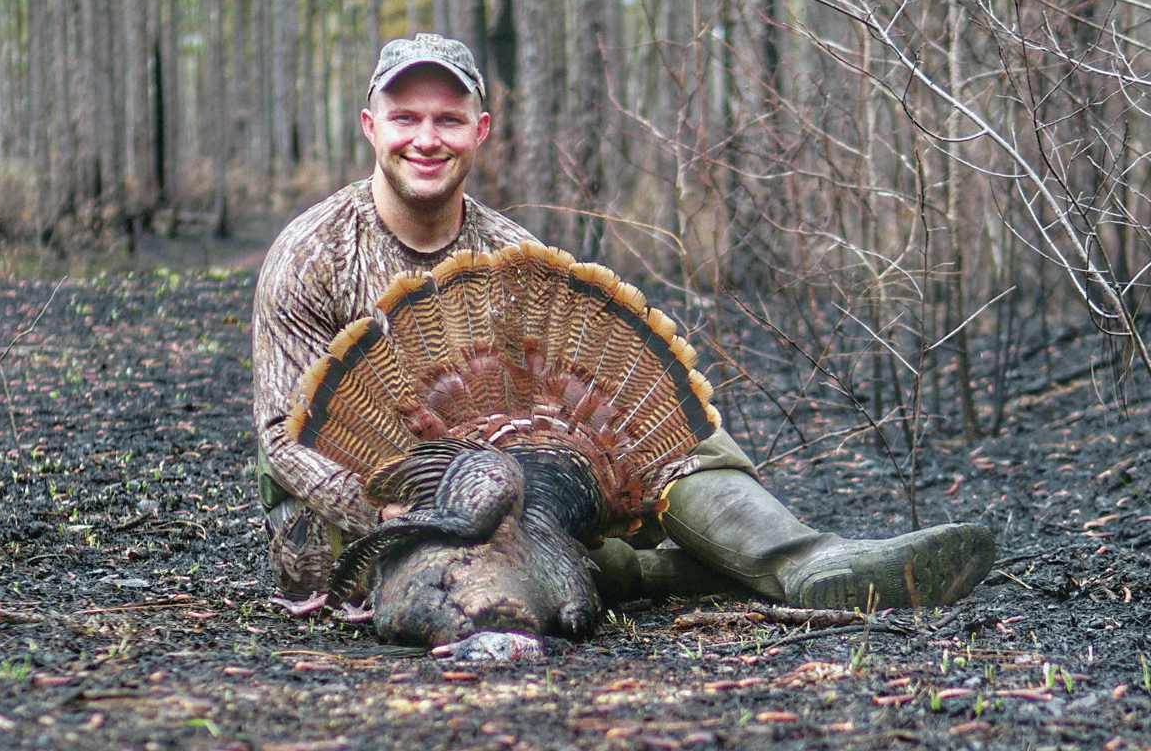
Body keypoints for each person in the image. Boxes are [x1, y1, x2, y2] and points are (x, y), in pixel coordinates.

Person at [251, 33, 994, 612]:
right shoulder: (312, 254)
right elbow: (283, 437)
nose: (426, 138)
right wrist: (395, 504)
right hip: (347, 518)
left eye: (448, 120)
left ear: (480, 131)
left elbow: (573, 418)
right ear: (370, 126)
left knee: (657, 435)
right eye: (405, 118)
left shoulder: (512, 255)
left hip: (506, 487)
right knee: (478, 561)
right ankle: (647, 575)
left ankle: (809, 564)